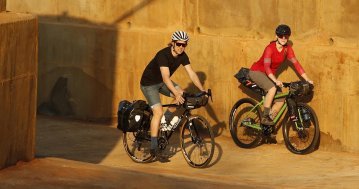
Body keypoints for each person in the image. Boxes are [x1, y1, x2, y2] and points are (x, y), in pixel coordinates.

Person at [140, 30, 206, 156]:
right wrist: (175, 94)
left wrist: (202, 90)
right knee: (158, 112)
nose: (181, 47)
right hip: (149, 84)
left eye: (184, 45)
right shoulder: (163, 55)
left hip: (162, 82)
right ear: (173, 43)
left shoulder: (183, 56)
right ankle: (153, 147)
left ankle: (166, 119)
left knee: (183, 94)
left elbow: (191, 73)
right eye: (179, 44)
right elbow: (166, 77)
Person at [248, 24, 313, 125]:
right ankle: (265, 117)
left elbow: (296, 64)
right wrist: (275, 81)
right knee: (272, 89)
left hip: (269, 76)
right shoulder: (270, 48)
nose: (283, 38)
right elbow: (266, 67)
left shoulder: (287, 49)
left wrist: (307, 79)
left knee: (281, 100)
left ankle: (266, 124)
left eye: (286, 36)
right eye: (281, 36)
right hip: (257, 72)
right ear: (276, 36)